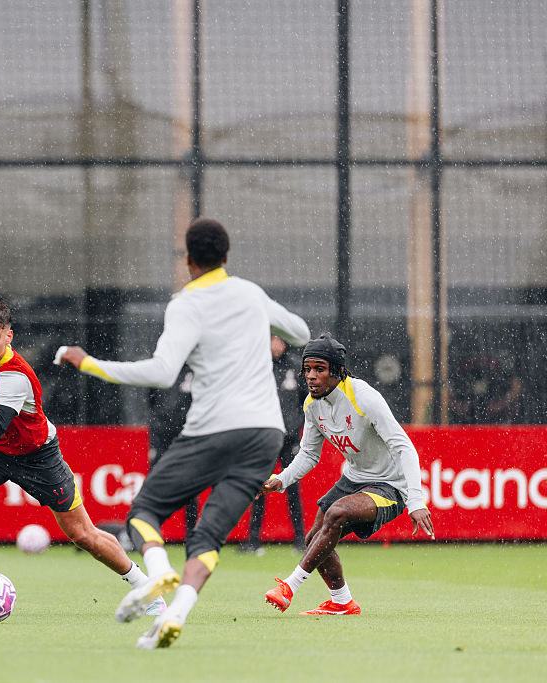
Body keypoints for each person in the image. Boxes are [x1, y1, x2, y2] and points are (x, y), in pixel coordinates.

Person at [57, 217, 310, 649]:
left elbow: (162, 372)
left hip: (212, 431)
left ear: (188, 259)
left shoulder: (186, 304)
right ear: (226, 256)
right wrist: (256, 323)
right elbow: (300, 333)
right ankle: (174, 614)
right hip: (265, 434)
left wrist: (90, 363)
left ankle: (158, 574)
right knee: (208, 537)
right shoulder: (250, 294)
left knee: (144, 513)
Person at [0, 298, 165, 616]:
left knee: (83, 535)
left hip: (37, 456)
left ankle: (147, 590)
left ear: (9, 337)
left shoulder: (15, 376)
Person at [260, 333, 435, 616]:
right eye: (307, 369)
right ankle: (342, 602)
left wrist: (415, 500)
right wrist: (281, 480)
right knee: (314, 538)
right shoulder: (312, 404)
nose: (311, 376)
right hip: (354, 478)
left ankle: (289, 587)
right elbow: (308, 454)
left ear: (338, 371)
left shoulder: (365, 398)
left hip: (390, 485)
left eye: (319, 369)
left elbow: (405, 448)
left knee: (336, 513)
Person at [240, 336, 307, 554]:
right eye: (271, 340)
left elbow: (306, 401)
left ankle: (300, 540)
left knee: (292, 487)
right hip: (267, 439)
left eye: (278, 340)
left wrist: (296, 427)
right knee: (259, 487)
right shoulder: (260, 367)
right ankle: (253, 541)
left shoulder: (296, 366)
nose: (275, 345)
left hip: (290, 439)